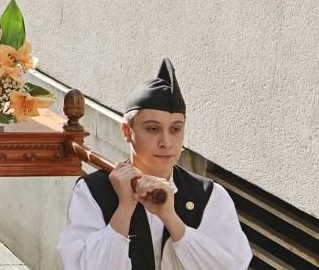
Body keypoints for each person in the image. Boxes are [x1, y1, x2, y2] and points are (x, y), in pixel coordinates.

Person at [57, 59, 252, 269]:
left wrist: (171, 219)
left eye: (175, 129)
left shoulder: (210, 195)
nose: (166, 142)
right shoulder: (92, 191)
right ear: (126, 132)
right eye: (152, 129)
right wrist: (124, 208)